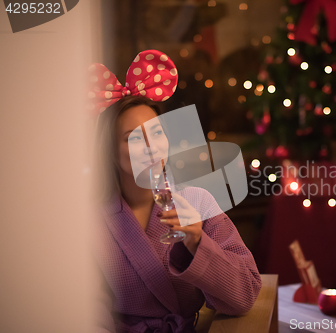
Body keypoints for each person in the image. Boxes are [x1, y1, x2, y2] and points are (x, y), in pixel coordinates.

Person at [91, 50, 262, 333]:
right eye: (133, 138)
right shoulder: (92, 221)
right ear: (109, 151)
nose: (151, 147)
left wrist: (196, 243)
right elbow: (87, 309)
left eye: (157, 133)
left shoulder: (197, 200)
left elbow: (245, 295)